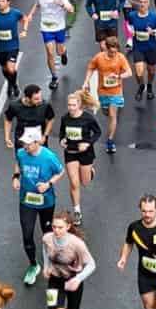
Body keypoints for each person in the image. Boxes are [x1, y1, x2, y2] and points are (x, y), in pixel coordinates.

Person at [13, 131, 63, 286]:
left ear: (36, 143)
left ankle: (52, 260)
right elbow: (18, 163)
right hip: (26, 201)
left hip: (46, 202)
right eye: (24, 143)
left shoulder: (48, 156)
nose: (24, 146)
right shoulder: (21, 153)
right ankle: (34, 265)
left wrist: (48, 184)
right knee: (27, 235)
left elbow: (60, 171)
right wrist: (15, 177)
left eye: (28, 143)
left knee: (47, 233)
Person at [59, 90, 102, 224]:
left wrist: (88, 143)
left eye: (73, 105)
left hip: (86, 154)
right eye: (69, 105)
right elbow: (61, 133)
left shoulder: (88, 118)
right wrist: (62, 140)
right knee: (74, 183)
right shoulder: (65, 118)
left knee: (85, 182)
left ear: (79, 105)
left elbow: (97, 132)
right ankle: (77, 211)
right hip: (70, 153)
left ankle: (90, 173)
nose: (71, 108)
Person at [26, 0, 74, 91]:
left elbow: (71, 9)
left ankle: (64, 52)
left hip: (59, 27)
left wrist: (61, 4)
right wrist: (31, 14)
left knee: (59, 51)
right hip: (46, 28)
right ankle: (54, 77)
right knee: (50, 53)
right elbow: (37, 4)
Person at [42, 213, 96, 309]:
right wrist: (46, 266)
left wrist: (78, 279)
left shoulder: (77, 244)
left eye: (60, 227)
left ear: (68, 226)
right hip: (54, 280)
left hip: (72, 280)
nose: (56, 230)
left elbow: (92, 264)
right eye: (54, 227)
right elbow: (45, 249)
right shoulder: (47, 238)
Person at [88, 36, 132, 153]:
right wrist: (86, 81)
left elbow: (129, 72)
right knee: (106, 112)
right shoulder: (99, 58)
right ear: (106, 48)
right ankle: (110, 128)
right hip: (103, 91)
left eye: (115, 51)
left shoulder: (120, 57)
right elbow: (91, 68)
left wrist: (118, 76)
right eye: (111, 52)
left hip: (116, 92)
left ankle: (110, 141)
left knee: (113, 115)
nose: (113, 54)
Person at [0, 0, 28, 99]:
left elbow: (25, 19)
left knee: (11, 68)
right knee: (4, 69)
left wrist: (24, 30)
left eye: (3, 1)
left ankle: (14, 86)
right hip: (0, 47)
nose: (0, 3)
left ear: (8, 2)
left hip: (13, 45)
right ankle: (10, 82)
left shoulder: (15, 13)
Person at [4, 83, 56, 149]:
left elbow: (51, 119)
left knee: (40, 159)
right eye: (36, 99)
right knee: (23, 158)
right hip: (22, 142)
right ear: (27, 99)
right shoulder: (15, 106)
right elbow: (8, 120)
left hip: (39, 142)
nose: (40, 101)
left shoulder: (45, 105)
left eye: (40, 97)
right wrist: (7, 138)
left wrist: (45, 135)